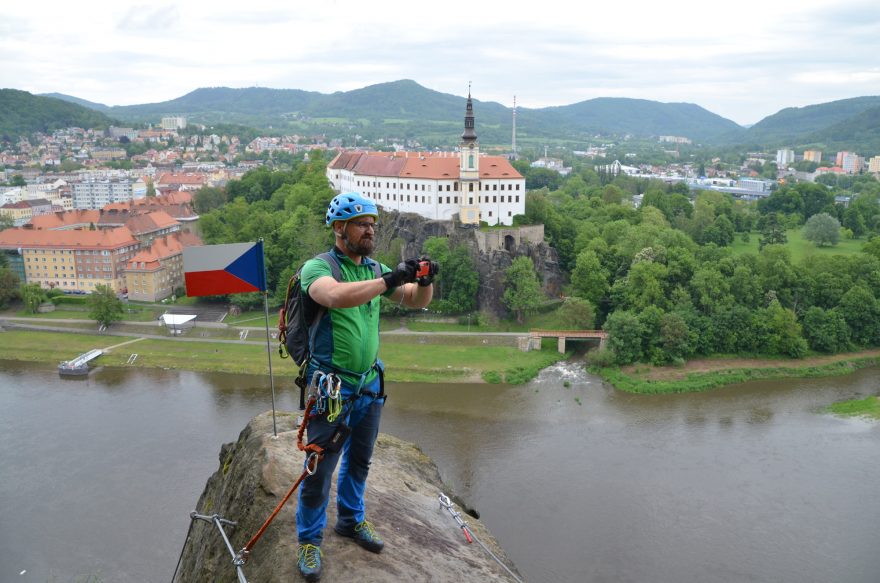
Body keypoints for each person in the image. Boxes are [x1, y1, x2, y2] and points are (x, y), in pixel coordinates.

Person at [295, 192, 435, 582]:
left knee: (360, 461)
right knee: (320, 468)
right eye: (362, 223)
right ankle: (308, 540)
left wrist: (424, 281)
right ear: (340, 229)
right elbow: (335, 298)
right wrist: (389, 279)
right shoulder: (318, 268)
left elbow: (414, 301)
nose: (370, 229)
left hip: (369, 384)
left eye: (373, 223)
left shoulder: (374, 267)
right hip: (332, 389)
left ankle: (351, 521)